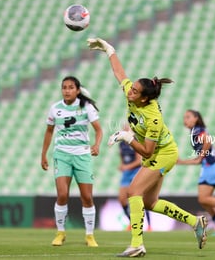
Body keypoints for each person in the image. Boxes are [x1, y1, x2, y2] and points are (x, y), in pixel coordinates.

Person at [87, 38, 207, 257]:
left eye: (134, 92)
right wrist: (109, 50)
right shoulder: (133, 93)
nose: (129, 92)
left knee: (133, 192)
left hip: (164, 153)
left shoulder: (153, 118)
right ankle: (195, 221)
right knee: (149, 202)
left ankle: (137, 244)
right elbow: (119, 73)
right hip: (158, 152)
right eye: (131, 89)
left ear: (144, 99)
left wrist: (126, 137)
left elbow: (148, 151)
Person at [41, 76, 103, 247]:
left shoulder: (86, 107)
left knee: (87, 197)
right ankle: (60, 233)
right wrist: (43, 154)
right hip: (61, 154)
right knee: (62, 195)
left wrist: (97, 145)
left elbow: (99, 130)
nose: (66, 90)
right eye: (64, 87)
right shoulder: (55, 108)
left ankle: (89, 235)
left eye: (70, 87)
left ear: (77, 90)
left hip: (82, 155)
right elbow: (48, 132)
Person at [118, 124, 151, 231]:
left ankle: (149, 225)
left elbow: (139, 161)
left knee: (139, 198)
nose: (125, 129)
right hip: (126, 173)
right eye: (124, 127)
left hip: (135, 172)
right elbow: (122, 158)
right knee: (122, 199)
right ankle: (131, 222)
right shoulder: (122, 144)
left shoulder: (135, 141)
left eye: (128, 127)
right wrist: (122, 166)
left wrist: (126, 166)